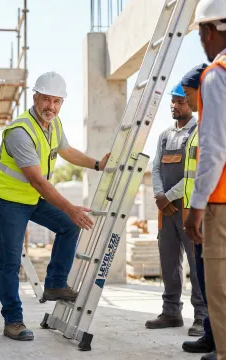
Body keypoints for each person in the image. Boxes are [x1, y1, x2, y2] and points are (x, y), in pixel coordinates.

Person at [0, 71, 110, 341]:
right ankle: (13, 321)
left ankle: (54, 284)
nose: (51, 107)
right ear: (35, 98)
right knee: (10, 260)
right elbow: (38, 182)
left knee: (68, 226)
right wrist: (70, 207)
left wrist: (98, 164)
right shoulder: (20, 132)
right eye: (46, 100)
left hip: (31, 198)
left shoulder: (53, 125)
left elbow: (66, 151)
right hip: (8, 200)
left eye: (57, 101)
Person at [146, 82, 207, 335]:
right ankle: (171, 312)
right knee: (169, 261)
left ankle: (202, 317)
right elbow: (156, 168)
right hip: (166, 210)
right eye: (172, 101)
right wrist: (159, 195)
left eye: (180, 101)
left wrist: (168, 197)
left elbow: (195, 173)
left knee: (196, 263)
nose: (175, 105)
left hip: (188, 209)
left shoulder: (200, 132)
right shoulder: (164, 135)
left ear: (190, 104)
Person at [185, 1, 226, 359]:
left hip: (221, 202)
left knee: (220, 289)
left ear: (208, 31)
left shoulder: (217, 73)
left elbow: (213, 150)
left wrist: (196, 207)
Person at [181, 63, 217, 360]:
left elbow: (213, 158)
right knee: (205, 274)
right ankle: (211, 333)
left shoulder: (213, 116)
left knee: (215, 276)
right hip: (205, 204)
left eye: (188, 93)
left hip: (213, 206)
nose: (185, 99)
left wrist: (197, 207)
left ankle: (219, 339)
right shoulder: (204, 118)